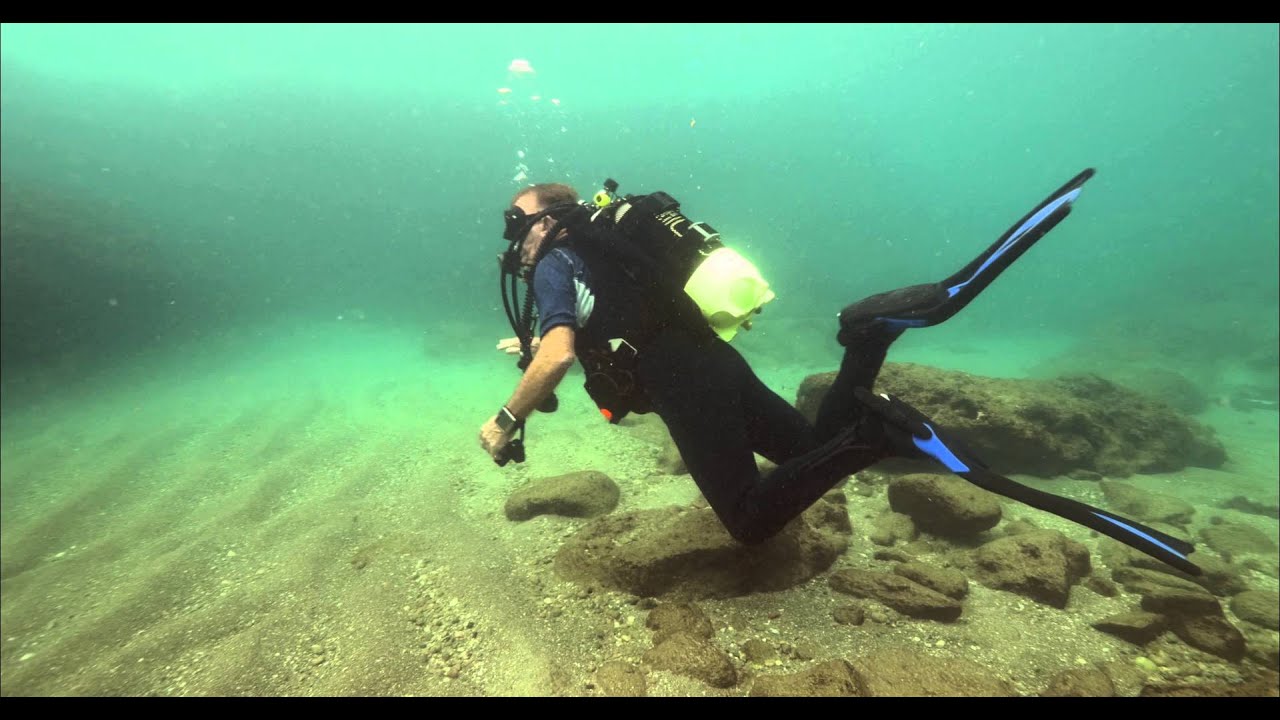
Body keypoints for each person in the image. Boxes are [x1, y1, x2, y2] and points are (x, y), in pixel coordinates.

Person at [478, 170, 1203, 577]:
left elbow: (563, 352)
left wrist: (506, 417)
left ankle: (875, 437)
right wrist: (540, 346)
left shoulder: (559, 258)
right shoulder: (608, 245)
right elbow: (604, 323)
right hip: (711, 359)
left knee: (751, 523)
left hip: (683, 383)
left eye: (517, 223)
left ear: (548, 219)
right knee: (802, 454)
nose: (515, 241)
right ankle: (866, 340)